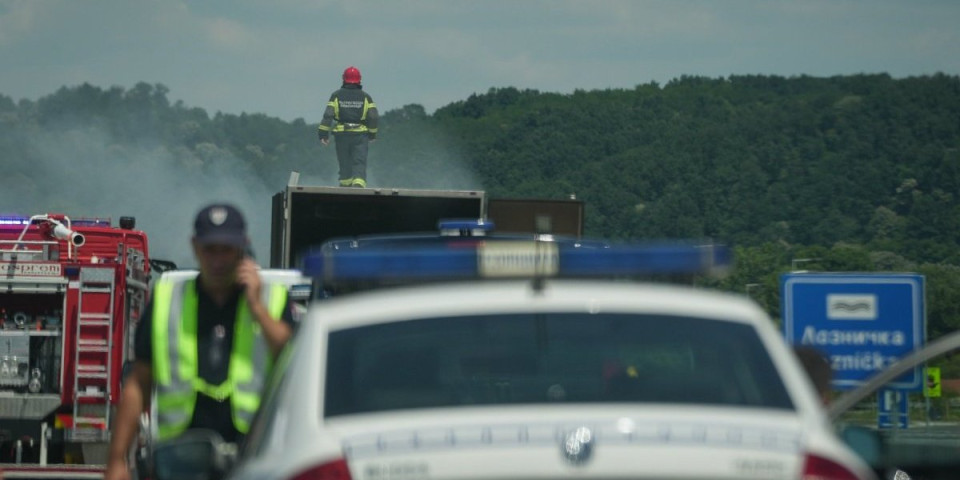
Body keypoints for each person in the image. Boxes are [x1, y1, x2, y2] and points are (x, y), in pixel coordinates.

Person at [104, 204, 295, 480]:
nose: (218, 259)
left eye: (226, 249)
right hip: (180, 460)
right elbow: (139, 383)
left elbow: (292, 359)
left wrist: (256, 306)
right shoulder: (167, 300)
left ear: (243, 247)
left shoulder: (272, 300)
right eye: (210, 249)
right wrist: (117, 459)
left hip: (252, 459)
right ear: (195, 247)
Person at [318, 66, 379, 188]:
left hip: (342, 135)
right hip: (360, 135)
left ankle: (345, 186)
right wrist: (372, 134)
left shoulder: (336, 96)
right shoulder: (366, 97)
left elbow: (328, 115)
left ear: (343, 79)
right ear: (359, 80)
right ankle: (358, 183)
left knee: (344, 162)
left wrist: (323, 134)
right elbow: (373, 116)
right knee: (359, 161)